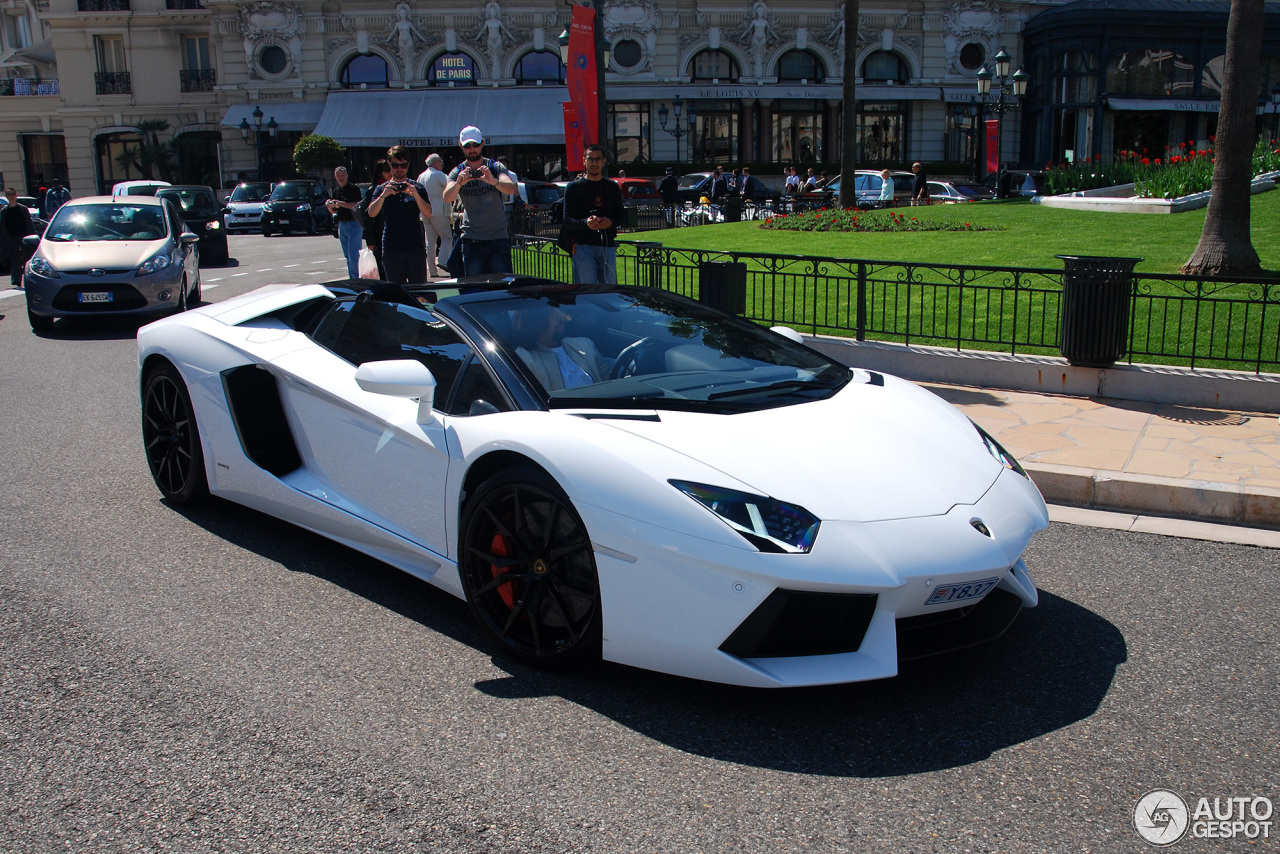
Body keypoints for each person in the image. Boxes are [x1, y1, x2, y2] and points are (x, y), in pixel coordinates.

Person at [443, 125, 518, 276]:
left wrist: (493, 181)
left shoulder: (495, 167)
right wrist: (458, 184)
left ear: (482, 143)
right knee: (475, 289)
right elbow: (447, 197)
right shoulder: (457, 171)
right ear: (461, 147)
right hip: (472, 239)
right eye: (467, 146)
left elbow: (511, 188)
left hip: (497, 237)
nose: (472, 149)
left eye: (475, 145)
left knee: (501, 288)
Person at [366, 145, 433, 284]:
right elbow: (371, 213)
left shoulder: (417, 187)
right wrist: (383, 196)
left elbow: (428, 213)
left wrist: (416, 195)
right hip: (392, 247)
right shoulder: (382, 189)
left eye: (403, 165)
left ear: (408, 165)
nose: (399, 169)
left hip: (415, 246)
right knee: (396, 292)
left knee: (419, 291)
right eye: (395, 165)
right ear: (389, 164)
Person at [561, 144, 626, 284]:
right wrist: (586, 223)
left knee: (609, 291)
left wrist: (610, 222)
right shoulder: (574, 187)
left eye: (598, 159)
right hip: (583, 247)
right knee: (586, 291)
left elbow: (621, 216)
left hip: (607, 246)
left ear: (604, 161)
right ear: (584, 161)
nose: (594, 163)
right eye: (591, 159)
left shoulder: (612, 187)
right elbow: (567, 221)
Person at [513, 303, 610, 391]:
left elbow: (610, 383)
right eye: (551, 312)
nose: (562, 316)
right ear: (536, 321)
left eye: (559, 310)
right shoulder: (524, 359)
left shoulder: (585, 345)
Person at [417, 152, 452, 277]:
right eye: (440, 161)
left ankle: (432, 271)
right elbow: (451, 185)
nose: (442, 163)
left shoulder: (421, 176)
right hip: (438, 211)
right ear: (436, 162)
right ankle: (442, 261)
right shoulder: (438, 175)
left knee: (430, 242)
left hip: (425, 211)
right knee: (447, 237)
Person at [326, 167, 364, 279]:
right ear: (335, 177)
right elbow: (334, 211)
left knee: (354, 255)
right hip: (342, 225)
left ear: (347, 176)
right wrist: (329, 206)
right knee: (347, 256)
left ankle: (356, 280)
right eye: (338, 176)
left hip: (354, 224)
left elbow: (358, 205)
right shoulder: (336, 191)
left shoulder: (354, 188)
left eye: (342, 175)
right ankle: (352, 279)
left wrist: (342, 204)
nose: (341, 178)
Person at [359, 160, 391, 279]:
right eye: (386, 170)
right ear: (380, 172)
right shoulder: (374, 190)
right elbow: (367, 218)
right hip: (379, 235)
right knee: (382, 270)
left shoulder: (397, 187)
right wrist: (370, 242)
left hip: (393, 234)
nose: (390, 173)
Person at [2, 187, 35, 288]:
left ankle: (30, 280)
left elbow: (29, 224)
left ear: (16, 195)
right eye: (9, 195)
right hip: (12, 237)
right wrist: (7, 239)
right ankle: (16, 281)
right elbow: (3, 227)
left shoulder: (23, 209)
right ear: (7, 197)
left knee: (27, 259)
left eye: (13, 194)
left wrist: (32, 237)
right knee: (14, 259)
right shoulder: (4, 211)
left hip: (25, 237)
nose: (11, 197)